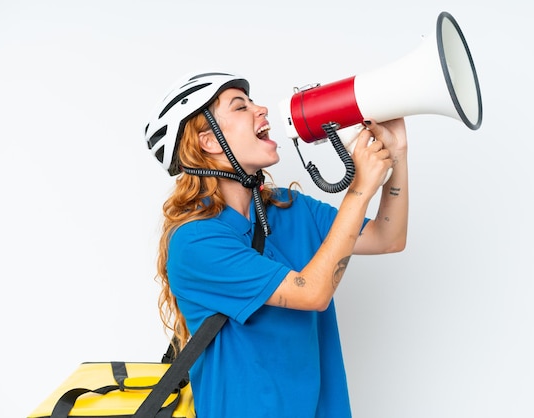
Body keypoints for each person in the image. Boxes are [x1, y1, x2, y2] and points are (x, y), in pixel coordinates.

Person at [144, 71, 409, 417]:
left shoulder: (287, 207)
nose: (262, 108)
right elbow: (312, 293)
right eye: (241, 107)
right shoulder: (196, 241)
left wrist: (398, 155)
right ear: (208, 141)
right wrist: (360, 189)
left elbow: (388, 238)